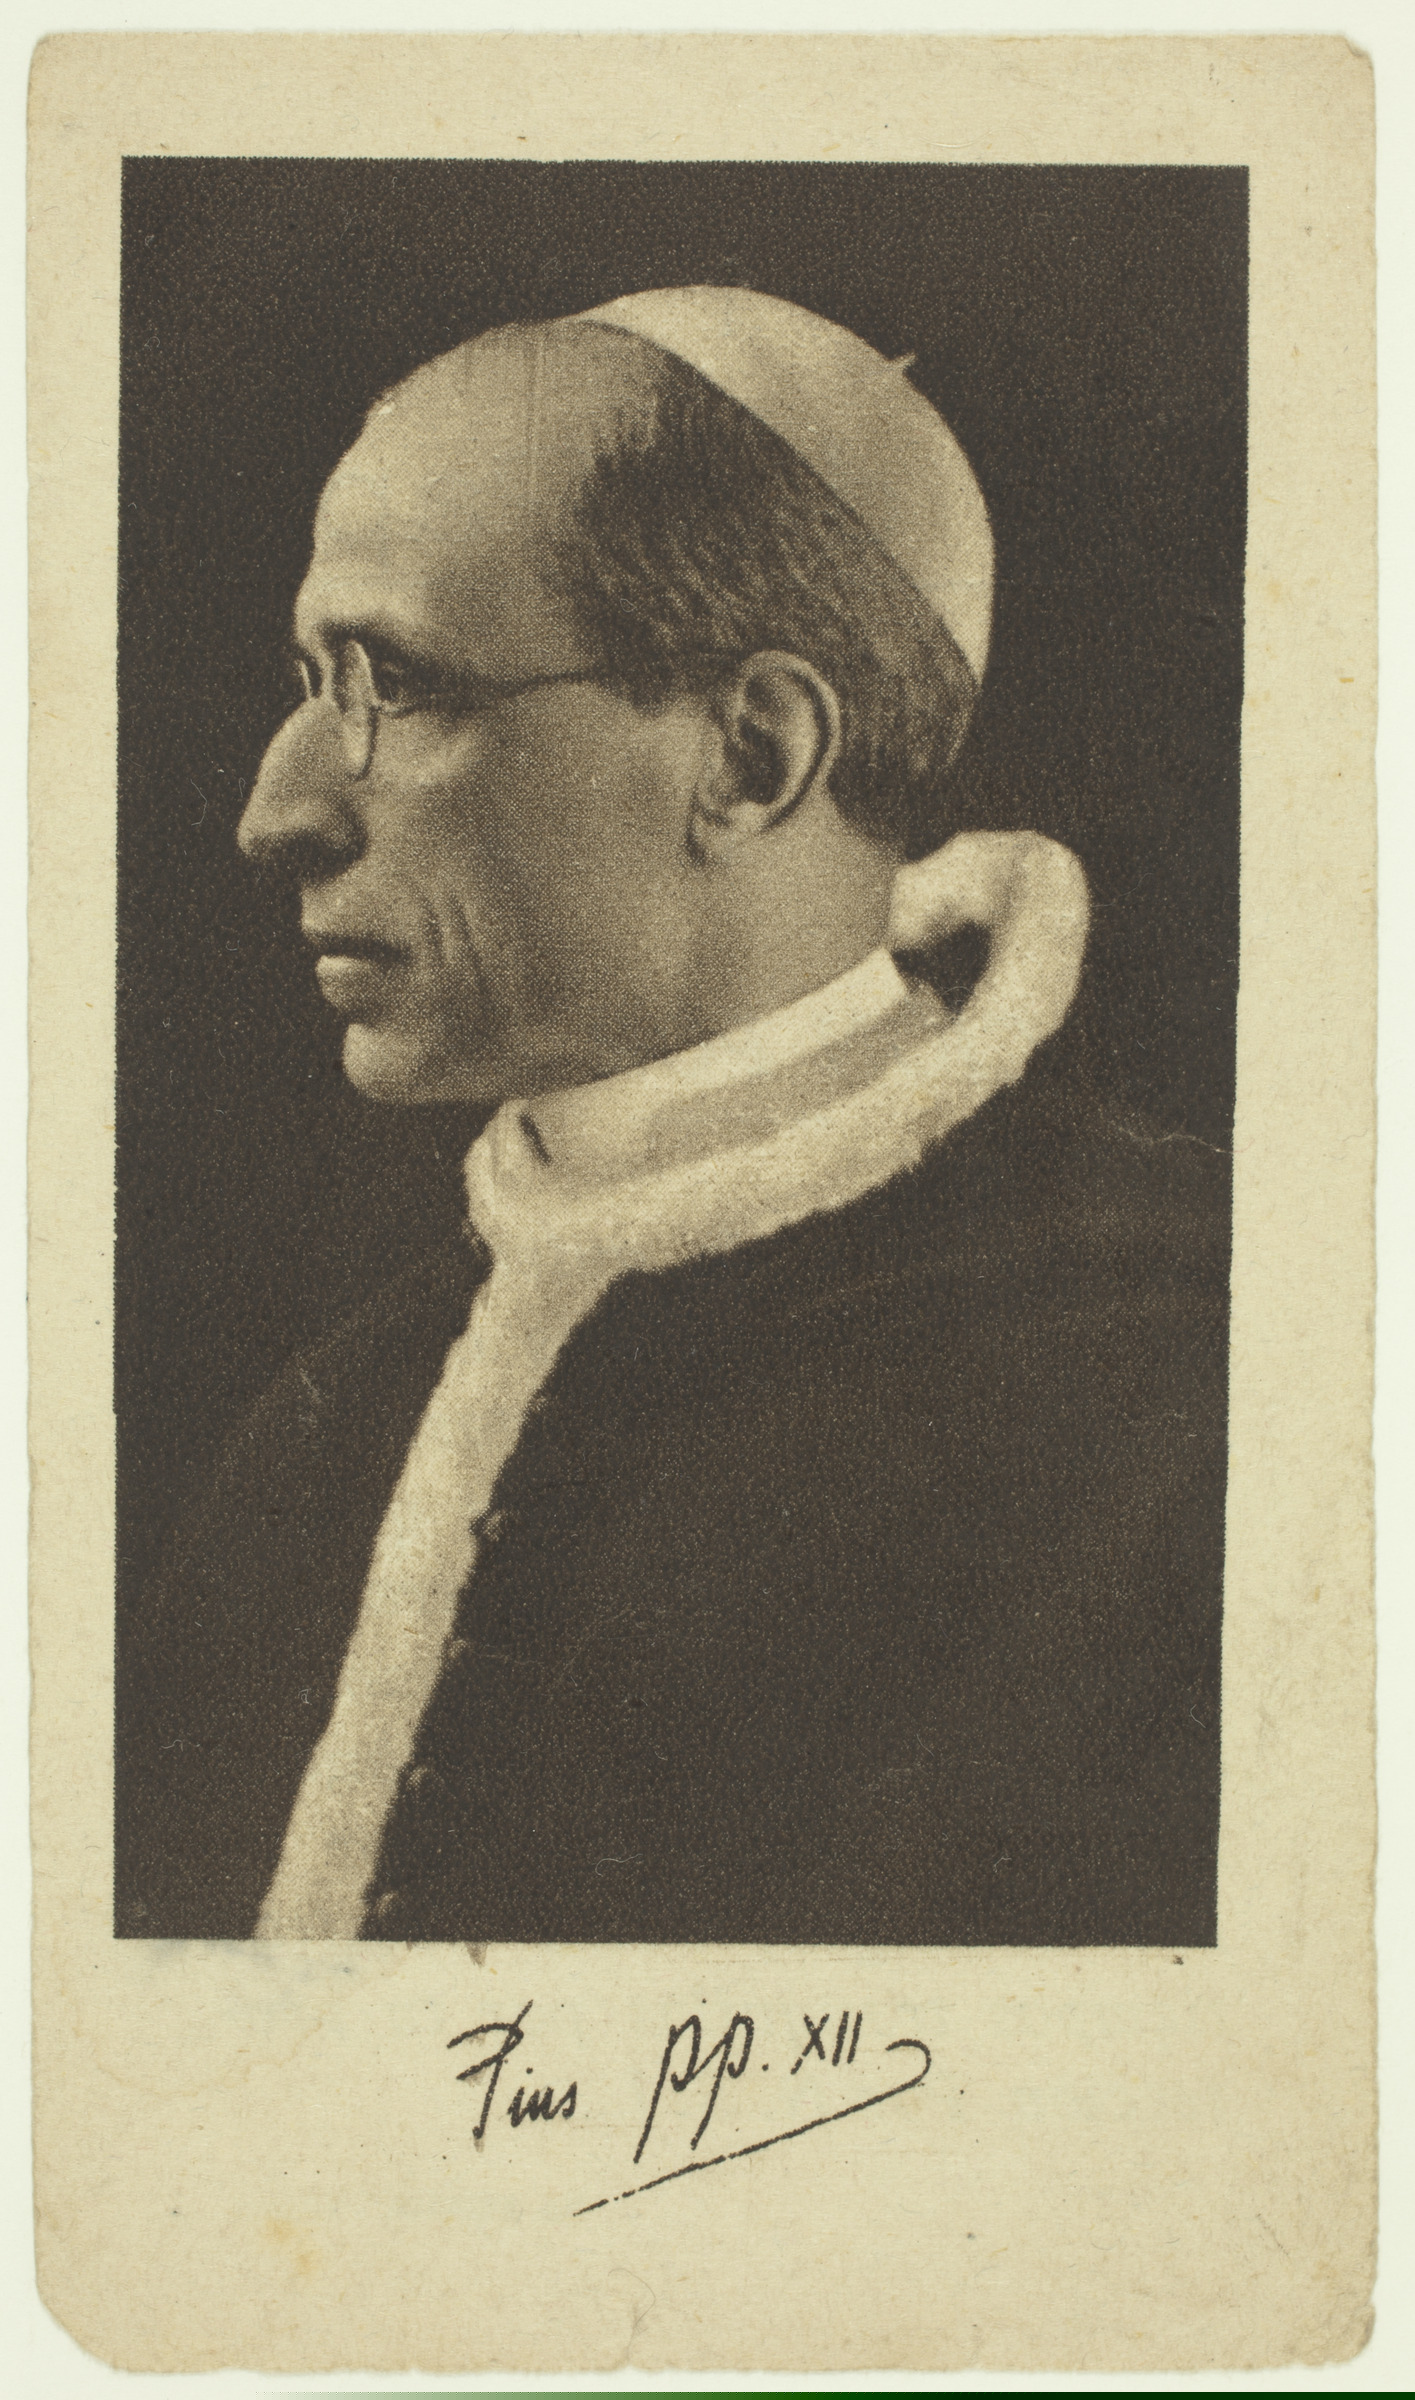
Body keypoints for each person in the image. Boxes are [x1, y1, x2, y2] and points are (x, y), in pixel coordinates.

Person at [115, 287, 1228, 1946]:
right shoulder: (317, 1434)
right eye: (310, 678)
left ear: (750, 757)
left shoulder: (1194, 1384)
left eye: (395, 683)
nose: (278, 810)